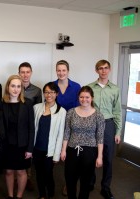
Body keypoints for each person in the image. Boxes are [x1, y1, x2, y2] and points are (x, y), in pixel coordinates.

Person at [60, 86, 105, 199]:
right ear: (78, 98)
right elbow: (67, 132)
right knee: (70, 179)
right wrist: (63, 150)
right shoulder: (71, 112)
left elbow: (100, 137)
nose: (84, 99)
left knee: (86, 181)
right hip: (72, 149)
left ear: (92, 98)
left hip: (90, 151)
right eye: (81, 97)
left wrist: (100, 156)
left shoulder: (98, 115)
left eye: (87, 97)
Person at [88, 60, 122, 199]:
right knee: (91, 155)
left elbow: (118, 111)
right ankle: (90, 182)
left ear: (109, 69)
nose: (103, 71)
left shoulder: (115, 89)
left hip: (108, 125)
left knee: (108, 157)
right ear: (96, 70)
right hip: (92, 123)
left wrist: (118, 132)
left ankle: (105, 187)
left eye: (106, 68)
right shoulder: (89, 87)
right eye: (100, 68)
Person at [0, 75, 35, 199]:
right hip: (7, 145)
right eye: (13, 86)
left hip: (22, 145)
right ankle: (10, 195)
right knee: (9, 171)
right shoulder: (1, 103)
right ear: (8, 87)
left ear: (22, 88)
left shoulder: (28, 103)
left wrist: (30, 149)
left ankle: (19, 196)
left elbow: (32, 128)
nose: (15, 89)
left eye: (18, 86)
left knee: (21, 171)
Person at [33, 82, 66, 199]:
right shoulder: (36, 108)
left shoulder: (62, 111)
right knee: (38, 174)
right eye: (46, 92)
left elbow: (60, 135)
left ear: (57, 94)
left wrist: (57, 155)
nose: (49, 95)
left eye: (52, 92)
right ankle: (42, 195)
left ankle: (50, 194)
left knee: (48, 174)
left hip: (50, 150)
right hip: (37, 148)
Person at [53, 60, 81, 196]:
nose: (61, 73)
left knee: (70, 158)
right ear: (56, 71)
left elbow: (78, 108)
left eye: (64, 70)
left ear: (68, 71)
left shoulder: (76, 87)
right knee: (54, 154)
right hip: (55, 124)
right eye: (59, 70)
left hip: (71, 125)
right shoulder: (52, 86)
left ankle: (68, 184)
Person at [18, 62, 42, 191]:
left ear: (31, 73)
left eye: (27, 72)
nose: (25, 75)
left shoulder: (37, 90)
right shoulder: (14, 87)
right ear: (19, 73)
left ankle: (28, 178)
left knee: (28, 152)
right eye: (22, 72)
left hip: (29, 126)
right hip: (16, 126)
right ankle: (18, 178)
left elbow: (38, 110)